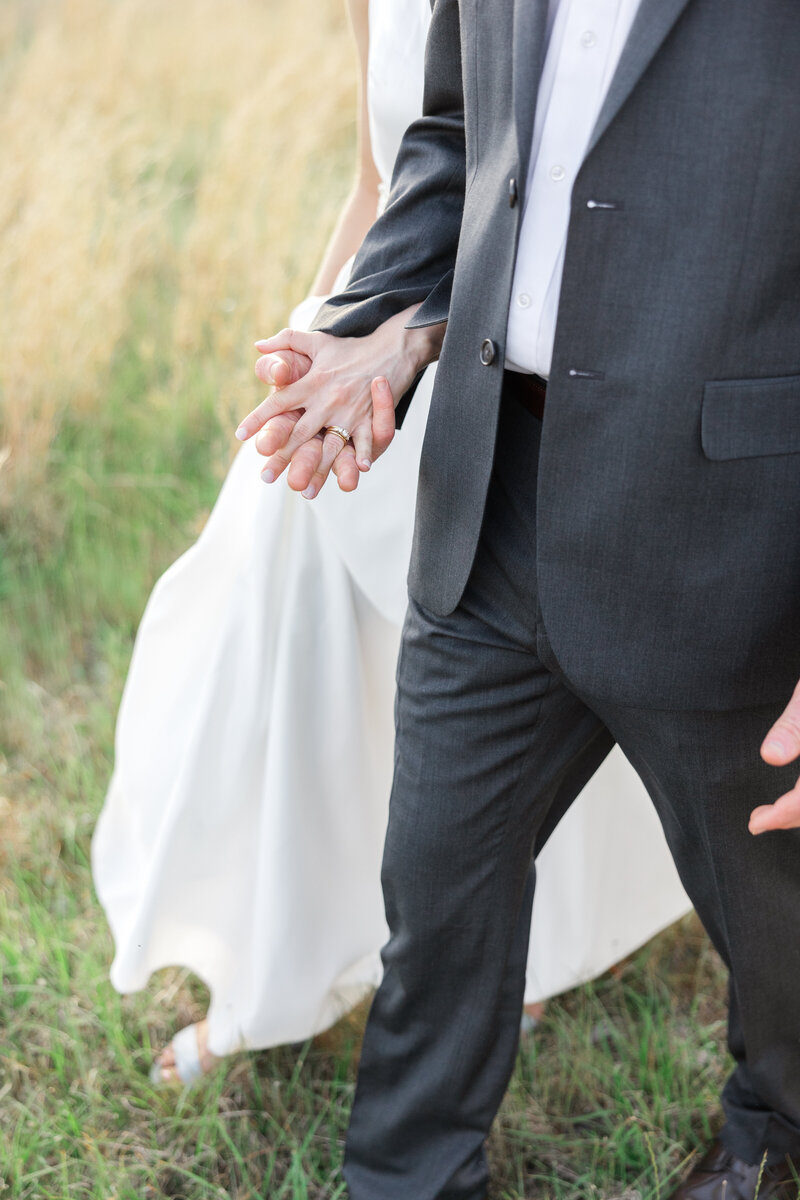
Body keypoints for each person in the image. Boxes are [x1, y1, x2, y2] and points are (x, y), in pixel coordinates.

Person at [238, 0, 800, 1197]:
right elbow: (455, 138)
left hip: (734, 532)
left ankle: (764, 1132)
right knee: (435, 892)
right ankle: (408, 1175)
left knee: (778, 925)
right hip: (489, 492)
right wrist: (386, 321)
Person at [92, 0, 690, 1088]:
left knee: (511, 683)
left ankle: (516, 955)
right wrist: (323, 331)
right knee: (300, 656)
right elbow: (382, 179)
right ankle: (271, 974)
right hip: (371, 358)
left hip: (512, 383)